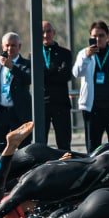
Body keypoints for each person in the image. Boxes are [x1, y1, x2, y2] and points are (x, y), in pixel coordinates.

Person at [73, 21, 109, 151]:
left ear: (107, 37)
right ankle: (94, 171)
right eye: (94, 36)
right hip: (92, 109)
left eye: (101, 35)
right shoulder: (84, 53)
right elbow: (77, 73)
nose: (97, 39)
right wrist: (87, 57)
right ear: (90, 36)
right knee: (93, 148)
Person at [0, 32, 33, 150]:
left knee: (24, 150)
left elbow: (28, 79)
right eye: (7, 45)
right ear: (3, 46)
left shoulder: (27, 64)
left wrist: (12, 67)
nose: (10, 48)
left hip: (19, 114)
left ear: (19, 47)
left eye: (13, 45)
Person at [39, 20, 74, 150]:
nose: (45, 35)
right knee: (40, 144)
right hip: (42, 105)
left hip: (61, 104)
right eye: (42, 32)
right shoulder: (34, 54)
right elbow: (36, 78)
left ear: (54, 33)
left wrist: (46, 73)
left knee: (64, 144)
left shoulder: (65, 53)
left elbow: (66, 75)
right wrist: (55, 70)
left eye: (48, 31)